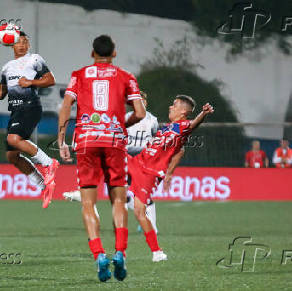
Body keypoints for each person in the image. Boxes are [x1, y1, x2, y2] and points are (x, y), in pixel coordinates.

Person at [58, 35, 146, 282]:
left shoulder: (79, 75)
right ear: (114, 53)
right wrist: (122, 124)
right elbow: (140, 113)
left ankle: (98, 254)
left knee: (88, 203)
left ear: (92, 53)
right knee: (118, 200)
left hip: (86, 142)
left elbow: (66, 107)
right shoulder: (127, 76)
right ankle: (120, 252)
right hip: (114, 142)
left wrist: (62, 140)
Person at [0, 30, 59, 208]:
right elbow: (0, 94)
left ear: (28, 45)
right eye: (19, 41)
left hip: (30, 106)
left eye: (25, 41)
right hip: (16, 110)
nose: (22, 44)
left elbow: (50, 80)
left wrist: (31, 82)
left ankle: (49, 163)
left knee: (14, 139)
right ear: (11, 44)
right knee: (12, 156)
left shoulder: (35, 59)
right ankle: (43, 185)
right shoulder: (7, 67)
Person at [63, 92, 168, 234]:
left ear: (146, 103)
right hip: (125, 156)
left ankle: (150, 224)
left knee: (135, 195)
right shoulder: (125, 117)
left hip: (142, 160)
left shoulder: (152, 120)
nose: (139, 103)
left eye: (142, 100)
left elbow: (156, 141)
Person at [129, 96, 214, 262]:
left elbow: (193, 125)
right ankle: (84, 190)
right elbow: (180, 151)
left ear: (183, 111)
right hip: (138, 162)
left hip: (150, 172)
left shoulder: (183, 126)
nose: (170, 107)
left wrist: (203, 114)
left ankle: (157, 252)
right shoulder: (168, 127)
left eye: (174, 105)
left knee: (139, 212)